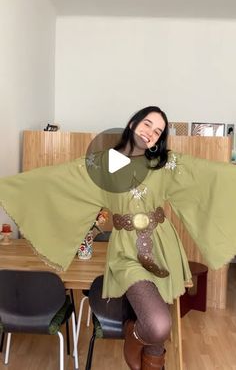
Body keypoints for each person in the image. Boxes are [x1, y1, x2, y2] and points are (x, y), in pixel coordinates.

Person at [0, 106, 236, 370]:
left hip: (162, 246)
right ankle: (133, 333)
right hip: (126, 251)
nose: (151, 133)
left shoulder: (166, 163)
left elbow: (210, 175)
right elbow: (57, 179)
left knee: (157, 334)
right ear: (133, 123)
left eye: (158, 131)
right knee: (158, 324)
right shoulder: (102, 164)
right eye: (147, 124)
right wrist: (8, 187)